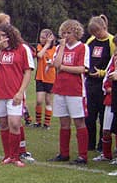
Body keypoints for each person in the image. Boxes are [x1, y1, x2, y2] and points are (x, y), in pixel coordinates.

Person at [0, 24, 34, 167]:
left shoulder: (22, 49)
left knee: (15, 123)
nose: (1, 38)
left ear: (11, 35)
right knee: (4, 124)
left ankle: (16, 156)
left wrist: (20, 92)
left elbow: (27, 72)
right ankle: (8, 156)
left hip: (15, 93)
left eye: (4, 35)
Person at [48, 19, 90, 164]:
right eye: (64, 33)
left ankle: (83, 155)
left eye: (69, 33)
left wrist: (64, 68)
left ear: (76, 33)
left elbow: (82, 69)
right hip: (60, 89)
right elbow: (56, 64)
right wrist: (62, 47)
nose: (66, 35)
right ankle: (63, 153)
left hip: (76, 90)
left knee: (79, 122)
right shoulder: (61, 48)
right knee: (64, 122)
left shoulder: (83, 47)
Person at [83, 15, 114, 152]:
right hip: (90, 82)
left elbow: (113, 63)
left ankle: (102, 146)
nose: (96, 35)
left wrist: (102, 73)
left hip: (104, 84)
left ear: (104, 28)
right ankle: (90, 144)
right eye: (94, 33)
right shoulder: (91, 41)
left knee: (103, 116)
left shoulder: (112, 41)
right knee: (89, 115)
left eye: (98, 32)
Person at [33, 28, 57, 129]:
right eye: (41, 37)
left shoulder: (56, 49)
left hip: (51, 78)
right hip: (40, 78)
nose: (41, 39)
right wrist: (46, 45)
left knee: (48, 101)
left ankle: (47, 123)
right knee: (39, 100)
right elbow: (39, 55)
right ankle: (38, 121)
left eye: (44, 38)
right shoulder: (39, 47)